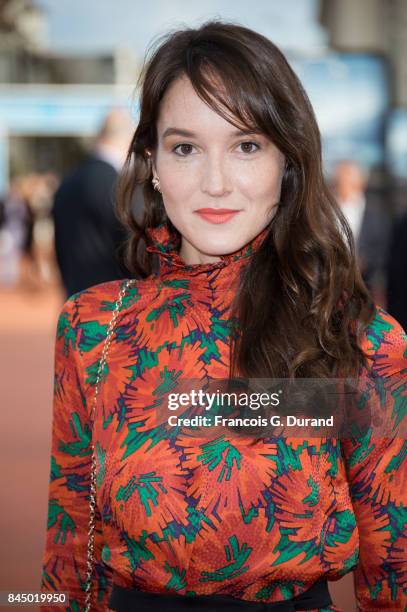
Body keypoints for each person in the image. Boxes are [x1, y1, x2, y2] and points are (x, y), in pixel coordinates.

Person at [40, 22, 406, 612]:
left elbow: (392, 568)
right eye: (185, 147)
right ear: (152, 162)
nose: (214, 183)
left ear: (287, 161)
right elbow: (65, 551)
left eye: (246, 146)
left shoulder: (360, 342)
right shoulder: (92, 328)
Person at [52, 108, 134, 297]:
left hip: (73, 297)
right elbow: (132, 247)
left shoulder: (68, 181)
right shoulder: (119, 185)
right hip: (112, 303)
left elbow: (60, 246)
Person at [332, 160, 391, 305]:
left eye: (347, 180)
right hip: (333, 288)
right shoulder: (327, 211)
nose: (343, 184)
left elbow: (383, 250)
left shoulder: (377, 215)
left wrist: (363, 263)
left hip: (366, 289)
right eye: (341, 180)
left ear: (359, 183)